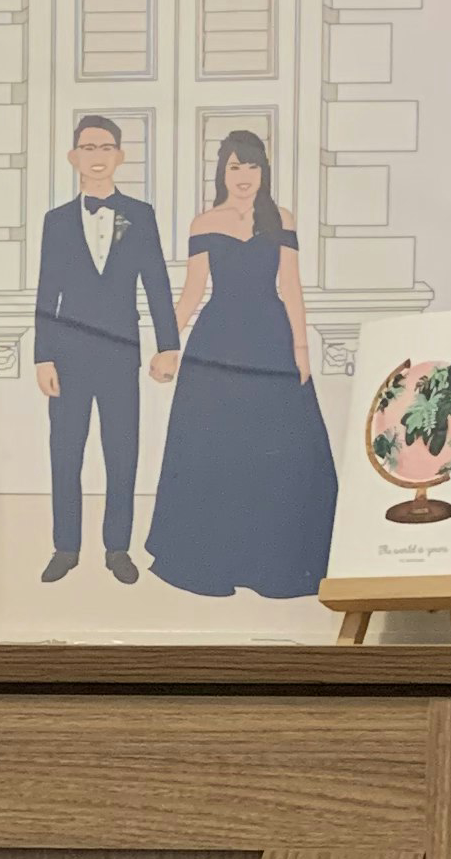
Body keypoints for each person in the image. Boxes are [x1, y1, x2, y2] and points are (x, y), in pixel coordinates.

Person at [145, 129, 338, 600]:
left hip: (271, 340)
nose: (244, 176)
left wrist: (301, 351)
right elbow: (192, 293)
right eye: (235, 166)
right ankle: (211, 564)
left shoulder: (282, 218)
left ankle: (278, 567)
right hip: (217, 344)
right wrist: (166, 345)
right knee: (215, 450)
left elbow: (290, 286)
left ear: (263, 171)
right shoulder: (204, 222)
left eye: (251, 165)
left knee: (281, 450)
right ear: (222, 172)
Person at [31, 112, 178, 583]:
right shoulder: (55, 222)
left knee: (122, 451)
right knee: (65, 452)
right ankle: (65, 547)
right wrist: (43, 354)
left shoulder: (141, 215)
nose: (97, 157)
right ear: (73, 157)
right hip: (68, 356)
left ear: (120, 156)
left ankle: (118, 548)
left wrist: (168, 345)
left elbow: (156, 283)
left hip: (119, 352)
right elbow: (46, 291)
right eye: (87, 149)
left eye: (105, 148)